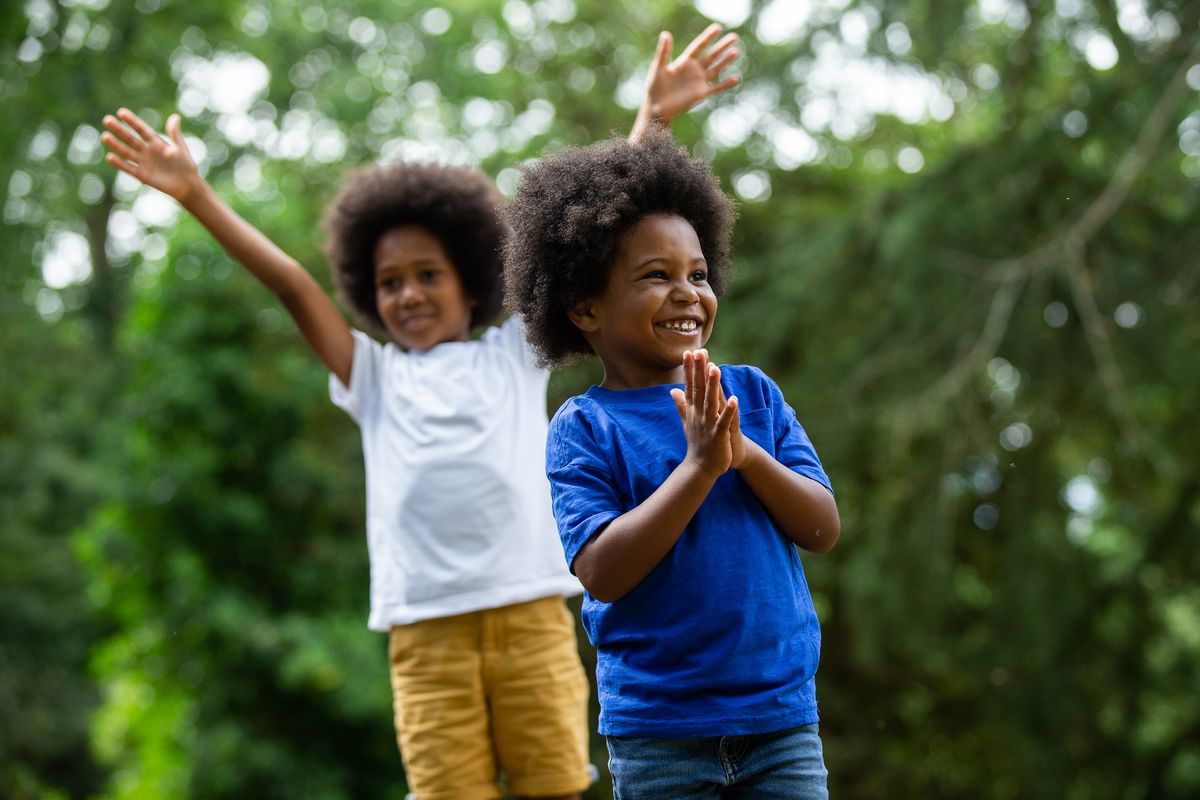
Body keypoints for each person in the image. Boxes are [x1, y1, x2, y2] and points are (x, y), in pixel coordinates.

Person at [99, 24, 741, 800]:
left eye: (427, 274)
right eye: (390, 281)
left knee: (557, 787)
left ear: (471, 283)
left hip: (530, 613)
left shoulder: (511, 355)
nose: (408, 293)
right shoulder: (373, 377)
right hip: (424, 632)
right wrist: (195, 194)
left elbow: (598, 236)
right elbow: (292, 287)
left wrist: (656, 116)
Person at [502, 128, 842, 799]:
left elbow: (821, 528)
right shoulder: (584, 428)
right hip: (660, 735)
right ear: (586, 307)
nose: (688, 292)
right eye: (657, 276)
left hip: (781, 722)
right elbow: (602, 570)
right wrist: (697, 471)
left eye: (698, 274)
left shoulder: (754, 397)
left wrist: (743, 454)